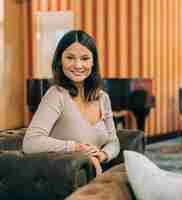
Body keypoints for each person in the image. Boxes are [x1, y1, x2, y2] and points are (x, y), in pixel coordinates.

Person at [22, 30, 120, 176]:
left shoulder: (103, 98)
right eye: (70, 57)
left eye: (85, 58)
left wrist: (103, 154)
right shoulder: (56, 95)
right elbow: (30, 143)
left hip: (98, 174)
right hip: (65, 179)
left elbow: (114, 142)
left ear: (93, 62)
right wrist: (75, 147)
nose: (78, 65)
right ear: (60, 60)